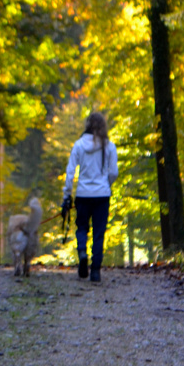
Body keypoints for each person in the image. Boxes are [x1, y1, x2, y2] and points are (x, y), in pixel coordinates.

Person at [62, 111, 118, 283]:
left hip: (83, 194)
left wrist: (67, 195)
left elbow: (70, 172)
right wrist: (106, 185)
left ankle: (82, 253)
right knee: (99, 232)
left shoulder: (78, 145)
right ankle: (95, 271)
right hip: (102, 194)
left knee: (81, 228)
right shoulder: (109, 146)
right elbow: (114, 172)